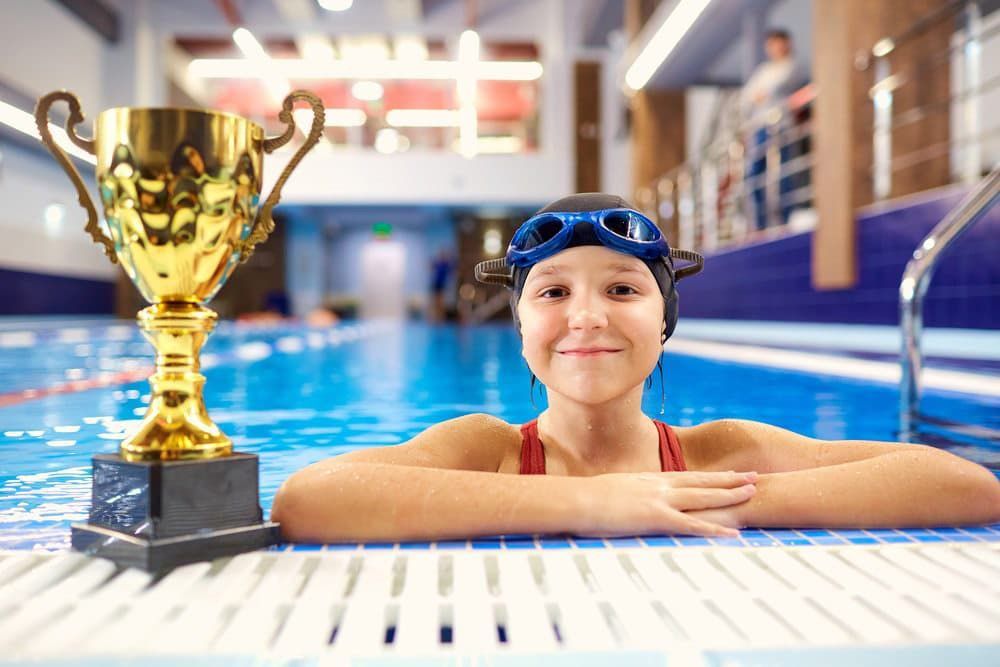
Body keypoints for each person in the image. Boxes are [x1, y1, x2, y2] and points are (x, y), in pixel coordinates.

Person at [271, 194, 1000, 543]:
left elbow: (964, 484)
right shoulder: (488, 450)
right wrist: (596, 504)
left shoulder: (718, 457)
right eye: (553, 293)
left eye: (622, 290)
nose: (587, 317)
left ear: (664, 322)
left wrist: (727, 500)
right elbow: (307, 498)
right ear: (520, 327)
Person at [742, 29, 807, 231]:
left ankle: (785, 219)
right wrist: (759, 95)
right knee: (755, 174)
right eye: (772, 44)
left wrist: (762, 94)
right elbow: (747, 97)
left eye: (779, 43)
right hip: (761, 127)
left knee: (784, 174)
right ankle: (760, 223)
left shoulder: (793, 66)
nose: (776, 48)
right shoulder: (764, 70)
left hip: (782, 126)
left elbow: (773, 89)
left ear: (787, 44)